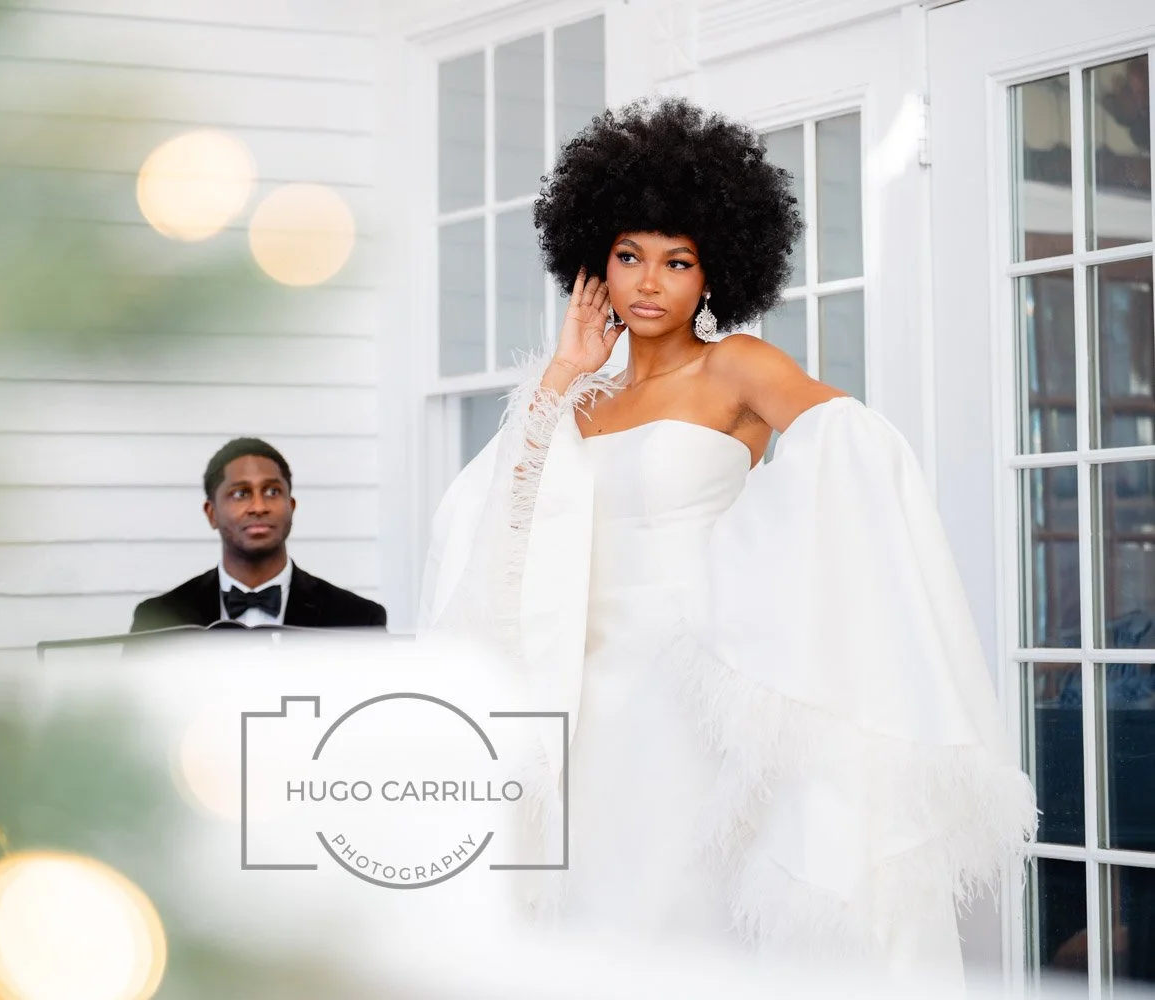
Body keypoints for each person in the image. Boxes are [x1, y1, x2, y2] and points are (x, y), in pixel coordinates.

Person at [417, 98, 1035, 976]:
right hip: (586, 689)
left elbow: (849, 444)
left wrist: (760, 573)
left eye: (677, 261)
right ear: (595, 260)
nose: (648, 282)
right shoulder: (581, 398)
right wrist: (562, 371)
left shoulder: (736, 365)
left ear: (714, 274)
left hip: (695, 680)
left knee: (692, 907)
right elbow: (498, 517)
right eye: (629, 256)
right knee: (599, 906)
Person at [131, 437, 386, 631]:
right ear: (212, 513)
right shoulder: (158, 619)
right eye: (241, 493)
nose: (259, 507)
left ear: (291, 506)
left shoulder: (358, 619)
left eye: (272, 492)